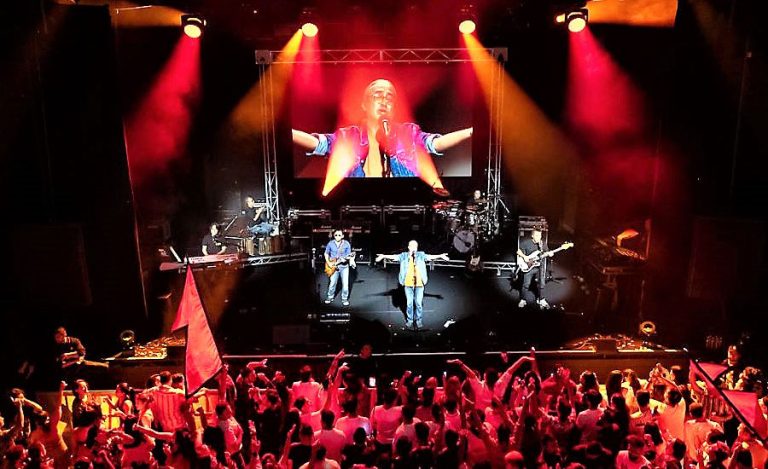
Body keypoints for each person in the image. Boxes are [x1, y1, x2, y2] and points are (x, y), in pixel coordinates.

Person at [292, 78, 472, 178]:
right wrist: (288, 133)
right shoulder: (348, 136)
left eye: (389, 97)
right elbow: (318, 143)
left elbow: (436, 143)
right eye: (377, 95)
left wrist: (470, 132)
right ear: (364, 104)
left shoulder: (408, 133)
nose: (384, 100)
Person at [375, 240, 449, 330]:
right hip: (408, 284)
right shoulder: (403, 256)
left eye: (415, 247)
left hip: (419, 284)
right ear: (409, 247)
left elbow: (430, 257)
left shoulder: (421, 255)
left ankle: (418, 321)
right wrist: (383, 256)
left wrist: (440, 256)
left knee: (418, 303)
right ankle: (409, 320)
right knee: (409, 303)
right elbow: (394, 256)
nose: (414, 248)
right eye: (412, 246)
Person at [516, 227, 550, 309]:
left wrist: (550, 253)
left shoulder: (542, 244)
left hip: (539, 266)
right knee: (526, 284)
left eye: (540, 235)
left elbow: (547, 252)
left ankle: (541, 299)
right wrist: (525, 257)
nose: (539, 237)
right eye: (537, 235)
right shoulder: (526, 243)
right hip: (529, 266)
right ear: (532, 236)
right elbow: (518, 251)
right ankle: (523, 300)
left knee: (541, 284)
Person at [324, 229, 355, 306]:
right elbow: (326, 253)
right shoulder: (330, 243)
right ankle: (330, 297)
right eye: (336, 235)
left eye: (339, 235)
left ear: (342, 236)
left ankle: (344, 299)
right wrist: (329, 263)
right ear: (334, 236)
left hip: (344, 267)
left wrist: (348, 260)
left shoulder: (346, 244)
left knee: (345, 285)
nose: (337, 236)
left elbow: (349, 255)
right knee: (332, 283)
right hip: (333, 266)